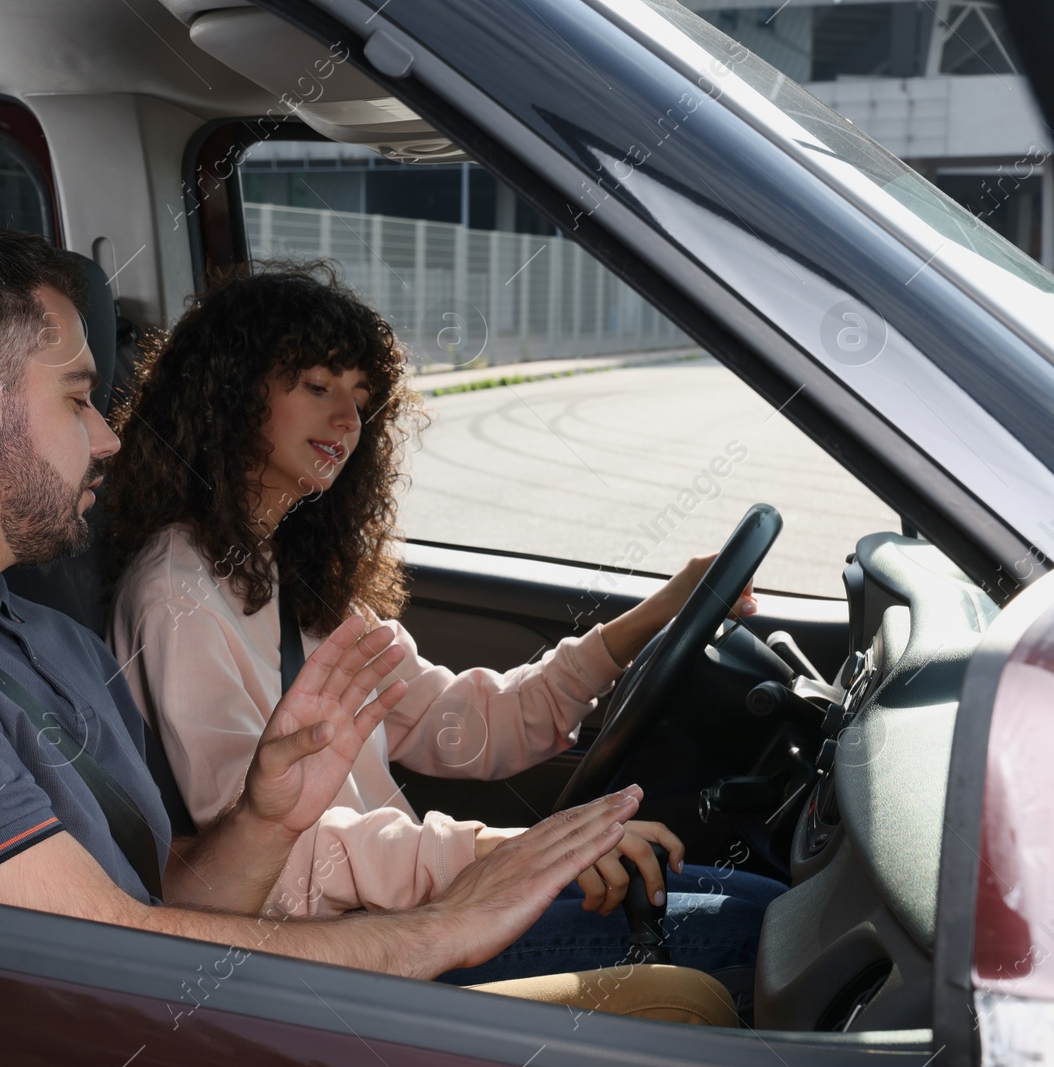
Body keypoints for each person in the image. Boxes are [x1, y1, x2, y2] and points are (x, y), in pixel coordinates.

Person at [0, 220, 738, 1026]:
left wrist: (265, 820)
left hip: (182, 1003)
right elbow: (112, 958)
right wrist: (452, 914)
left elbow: (156, 896)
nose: (107, 437)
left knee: (723, 944)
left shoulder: (34, 637)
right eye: (77, 398)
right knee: (708, 978)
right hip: (151, 1023)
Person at [105, 263, 787, 1003]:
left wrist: (656, 614)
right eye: (318, 385)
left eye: (362, 400)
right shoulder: (177, 590)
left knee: (751, 904)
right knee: (745, 931)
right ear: (232, 388)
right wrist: (503, 851)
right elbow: (274, 857)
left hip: (412, 910)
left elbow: (465, 723)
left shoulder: (295, 575)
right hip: (348, 953)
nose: (347, 420)